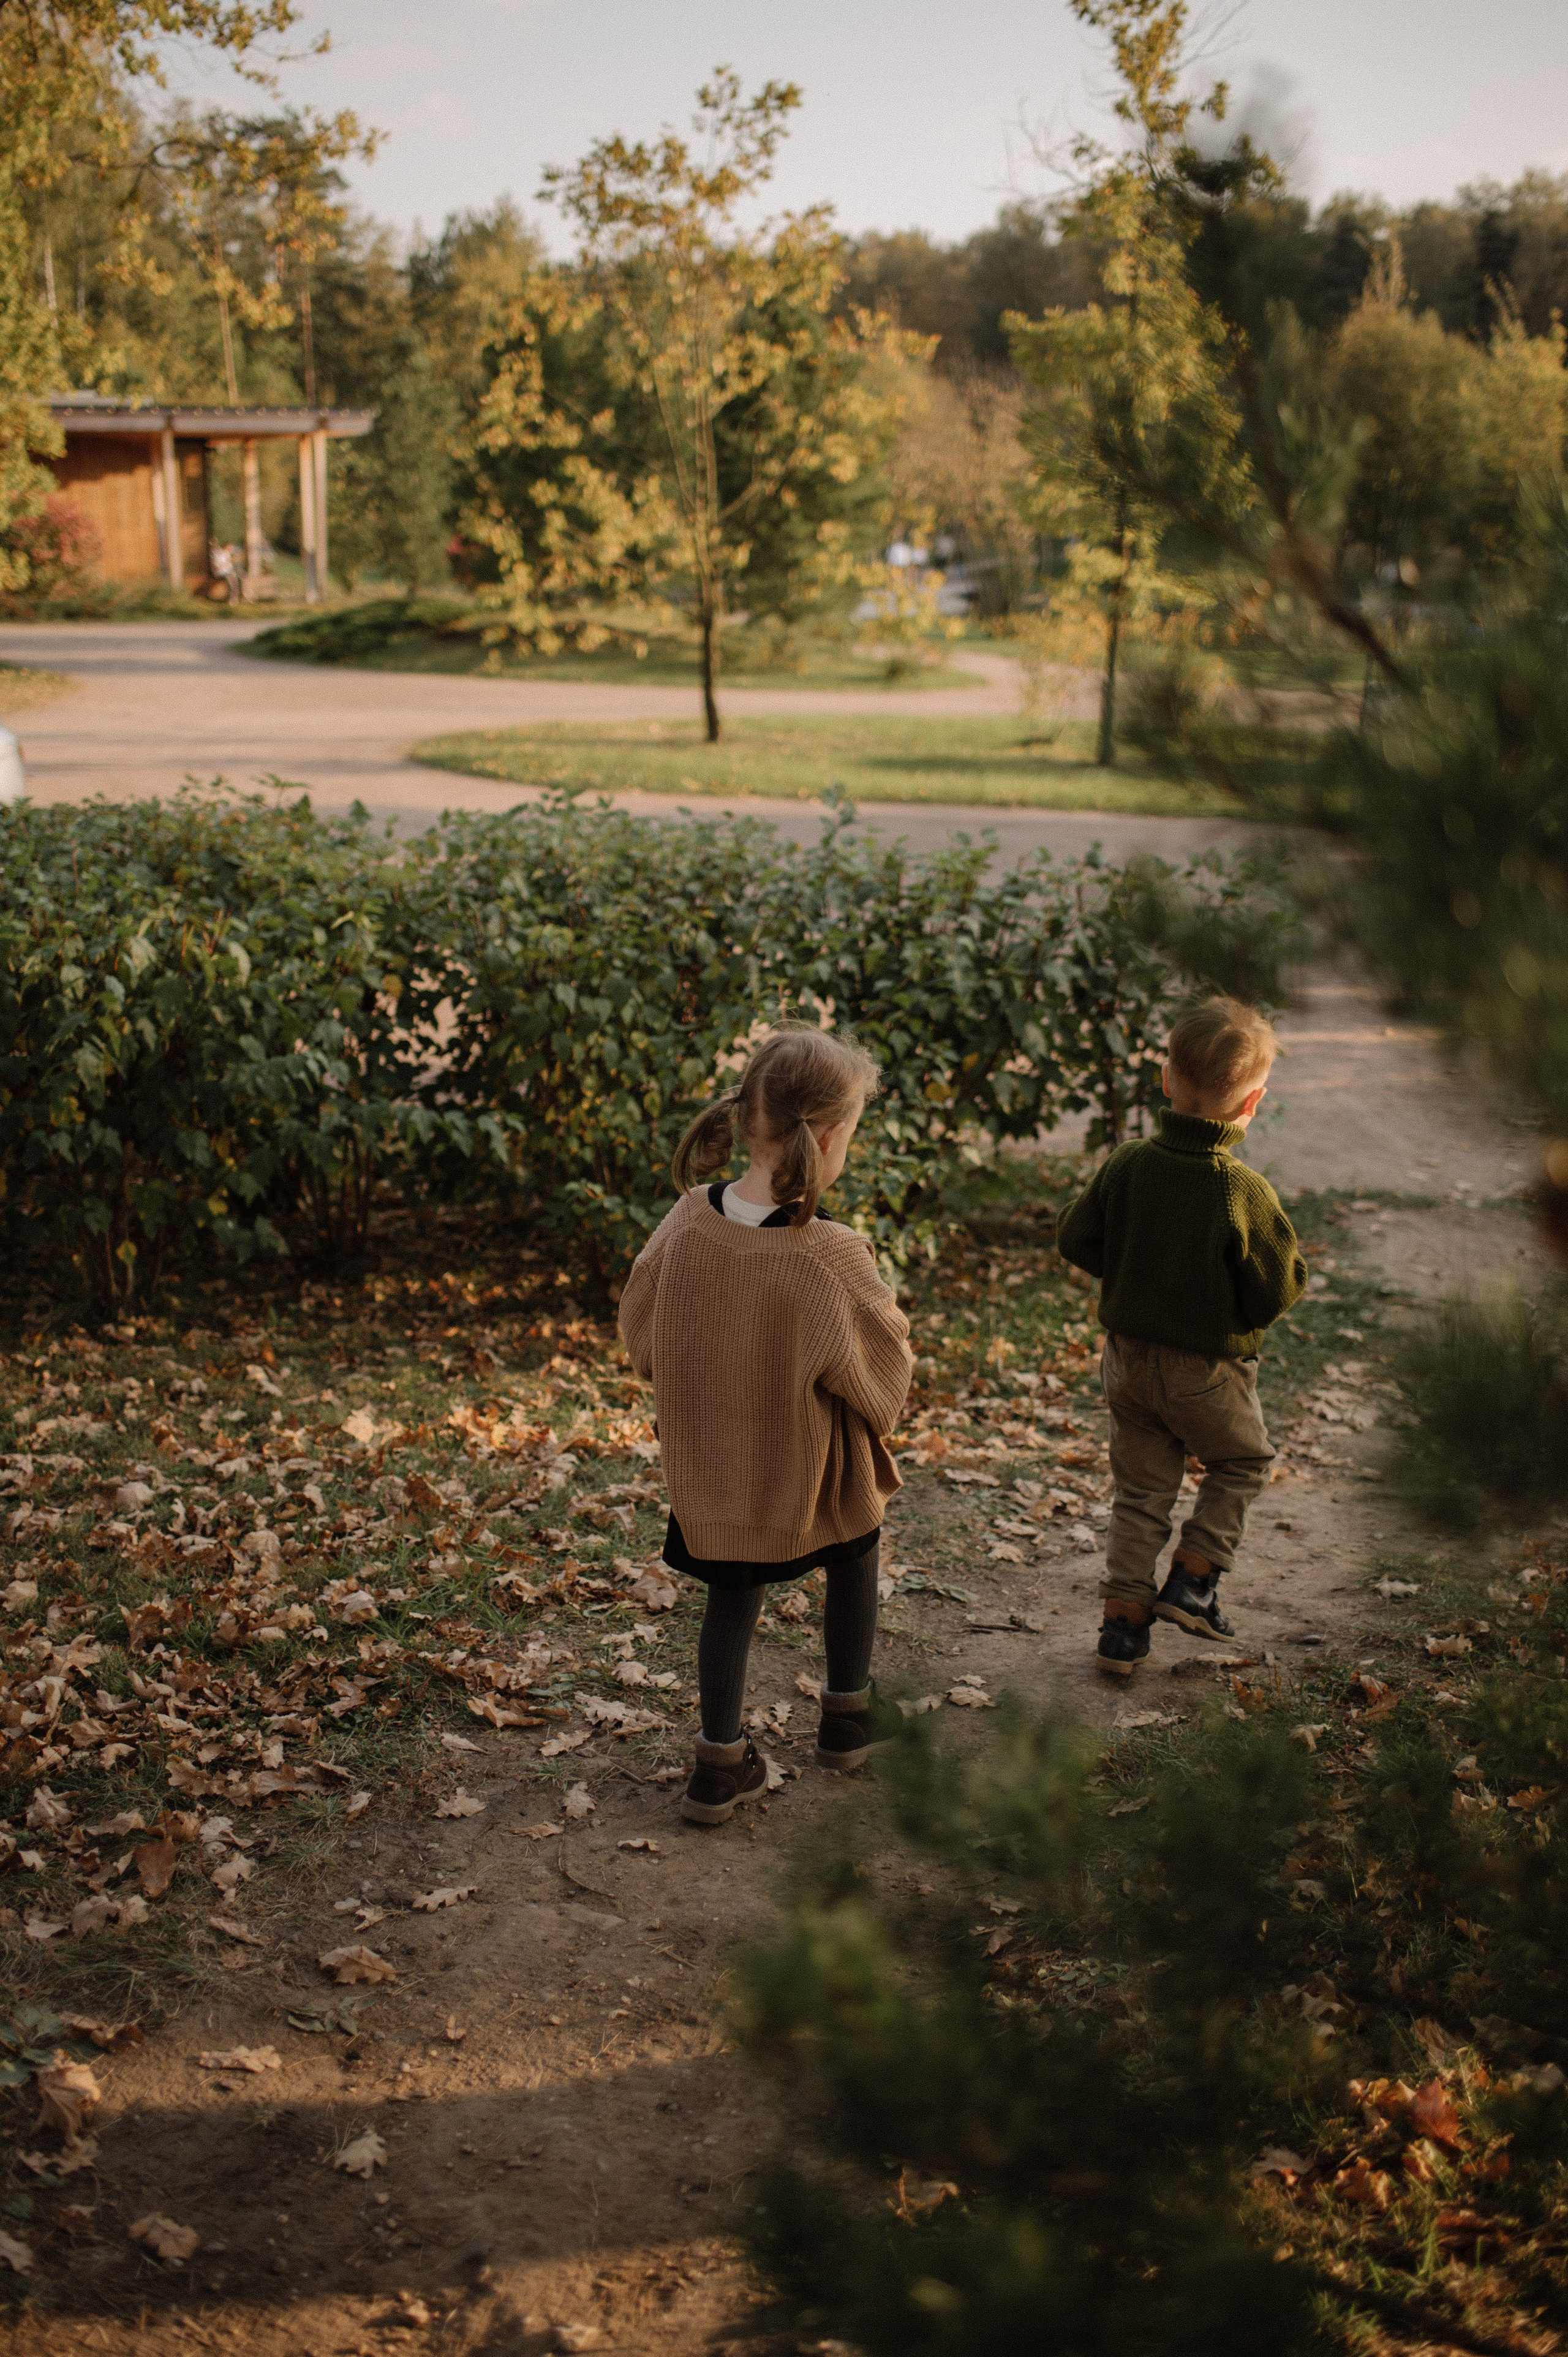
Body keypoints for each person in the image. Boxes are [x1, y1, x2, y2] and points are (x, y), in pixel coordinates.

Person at [618, 1026, 913, 1825]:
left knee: (731, 1595)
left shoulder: (683, 1225)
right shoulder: (829, 1254)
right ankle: (848, 1717)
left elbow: (641, 1335)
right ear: (826, 1137)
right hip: (812, 1472)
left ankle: (718, 1763)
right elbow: (882, 1377)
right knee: (859, 1541)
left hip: (716, 1474)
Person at [1055, 995, 1307, 1678]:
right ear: (1252, 1102)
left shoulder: (1129, 1162)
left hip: (1128, 1363)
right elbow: (1277, 1286)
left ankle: (1123, 1628)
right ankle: (1194, 1579)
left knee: (1139, 1491)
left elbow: (1075, 1236)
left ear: (1166, 1080)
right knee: (1243, 1461)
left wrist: (1136, 1272)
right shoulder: (1242, 1189)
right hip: (1206, 1372)